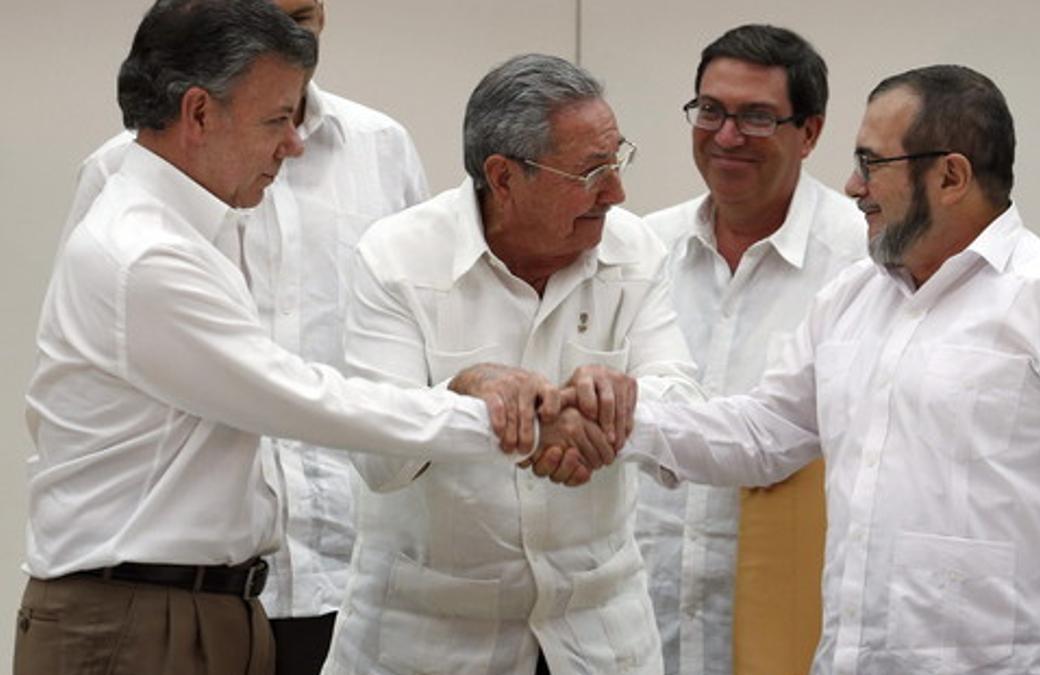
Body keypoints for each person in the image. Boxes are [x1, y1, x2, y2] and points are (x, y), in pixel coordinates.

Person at [16, 4, 577, 674]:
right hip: (140, 617)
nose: (295, 143)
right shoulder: (146, 252)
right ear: (198, 113)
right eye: (277, 119)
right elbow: (301, 397)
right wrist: (514, 422)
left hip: (227, 597)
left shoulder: (195, 223)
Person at [620, 64, 1040, 674]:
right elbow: (758, 434)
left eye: (871, 163)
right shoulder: (849, 301)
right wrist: (617, 421)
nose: (852, 185)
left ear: (950, 175)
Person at [58, 1, 430, 671]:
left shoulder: (382, 148)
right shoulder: (127, 182)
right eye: (274, 14)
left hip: (350, 577)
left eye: (306, 12)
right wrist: (493, 417)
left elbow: (420, 337)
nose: (297, 30)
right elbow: (101, 389)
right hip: (170, 588)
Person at [322, 54, 704, 675]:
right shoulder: (397, 257)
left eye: (618, 159)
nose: (618, 192)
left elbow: (686, 409)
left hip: (597, 635)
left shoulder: (634, 249)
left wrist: (612, 407)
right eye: (592, 171)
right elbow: (378, 456)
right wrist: (465, 393)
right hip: (429, 638)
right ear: (503, 177)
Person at [634, 25, 863, 675]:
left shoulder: (865, 264)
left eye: (757, 117)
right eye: (711, 110)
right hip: (647, 628)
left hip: (794, 633)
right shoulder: (640, 250)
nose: (726, 135)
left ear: (810, 132)